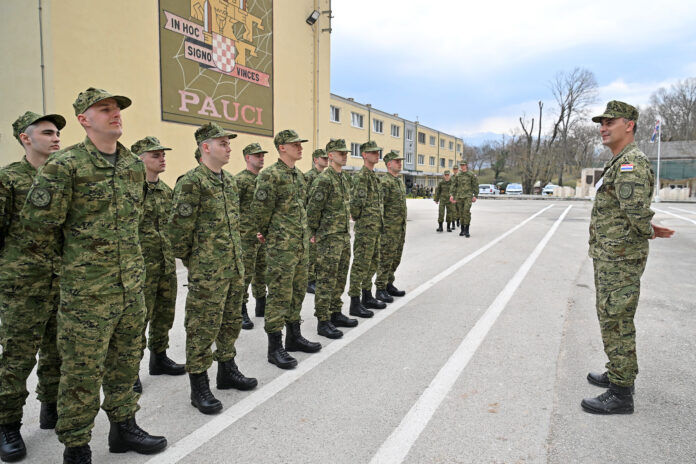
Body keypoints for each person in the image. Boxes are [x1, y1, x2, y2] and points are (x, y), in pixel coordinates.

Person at [19, 88, 167, 463]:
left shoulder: (132, 165)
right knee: (81, 374)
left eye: (117, 108)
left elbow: (135, 223)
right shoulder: (65, 166)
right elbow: (37, 231)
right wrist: (75, 272)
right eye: (104, 109)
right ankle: (76, 446)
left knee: (126, 363)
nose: (115, 113)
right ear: (84, 120)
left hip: (130, 289)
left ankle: (124, 428)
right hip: (86, 294)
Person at [582, 100, 674, 415]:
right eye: (601, 123)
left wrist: (647, 228)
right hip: (611, 255)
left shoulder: (630, 163)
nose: (603, 128)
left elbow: (635, 211)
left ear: (629, 125)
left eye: (610, 122)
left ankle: (621, 393)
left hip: (620, 258)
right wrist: (647, 227)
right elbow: (630, 211)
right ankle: (617, 371)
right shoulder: (620, 161)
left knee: (617, 318)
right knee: (610, 315)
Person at [170, 123, 257, 415]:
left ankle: (227, 370)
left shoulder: (229, 181)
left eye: (229, 143)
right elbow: (178, 233)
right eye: (223, 143)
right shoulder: (192, 182)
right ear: (205, 147)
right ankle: (199, 386)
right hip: (208, 272)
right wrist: (197, 262)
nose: (229, 148)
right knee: (202, 327)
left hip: (233, 267)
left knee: (230, 322)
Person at [0, 111, 65, 462]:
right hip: (22, 284)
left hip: (62, 278)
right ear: (26, 138)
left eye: (57, 133)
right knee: (18, 355)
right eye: (48, 133)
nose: (56, 138)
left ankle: (50, 406)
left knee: (58, 349)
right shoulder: (8, 178)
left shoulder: (63, 176)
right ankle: (7, 424)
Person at [251, 129, 322, 370]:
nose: (300, 148)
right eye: (295, 144)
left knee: (297, 292)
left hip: (300, 246)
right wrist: (270, 235)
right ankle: (275, 347)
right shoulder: (270, 175)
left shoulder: (298, 176)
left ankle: (294, 336)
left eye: (300, 144)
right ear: (282, 147)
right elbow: (260, 211)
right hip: (281, 248)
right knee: (279, 295)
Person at [130, 137, 185, 387]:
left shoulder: (165, 191)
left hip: (165, 265)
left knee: (164, 315)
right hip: (140, 269)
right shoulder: (131, 191)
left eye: (163, 155)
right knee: (137, 320)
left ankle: (159, 358)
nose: (162, 159)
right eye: (155, 155)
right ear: (139, 160)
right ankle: (130, 371)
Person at [307, 139, 361, 339]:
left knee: (340, 278)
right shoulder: (324, 179)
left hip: (343, 236)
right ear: (330, 155)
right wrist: (313, 233)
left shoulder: (344, 178)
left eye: (346, 153)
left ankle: (335, 312)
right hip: (328, 238)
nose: (345, 156)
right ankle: (323, 321)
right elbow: (313, 210)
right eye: (341, 153)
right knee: (326, 280)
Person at [348, 140, 386, 312]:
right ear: (364, 155)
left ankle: (367, 295)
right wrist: (360, 218)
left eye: (378, 152)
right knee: (360, 265)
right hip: (365, 229)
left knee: (372, 263)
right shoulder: (361, 177)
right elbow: (356, 204)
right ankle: (355, 302)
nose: (377, 154)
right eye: (373, 152)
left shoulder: (374, 177)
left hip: (375, 228)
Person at [236, 143, 269, 329]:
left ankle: (261, 305)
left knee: (262, 273)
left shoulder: (264, 179)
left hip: (262, 236)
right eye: (257, 155)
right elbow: (233, 209)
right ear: (247, 158)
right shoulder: (240, 180)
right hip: (246, 237)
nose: (261, 158)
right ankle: (240, 310)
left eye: (262, 155)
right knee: (245, 275)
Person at [374, 151, 407, 303]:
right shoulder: (385, 182)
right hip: (388, 229)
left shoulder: (398, 181)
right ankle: (380, 288)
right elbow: (380, 207)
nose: (400, 163)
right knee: (385, 259)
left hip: (399, 228)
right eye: (396, 161)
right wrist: (382, 228)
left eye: (400, 161)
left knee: (395, 258)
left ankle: (389, 283)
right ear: (389, 164)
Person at [304, 149, 329, 294]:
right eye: (323, 158)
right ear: (315, 160)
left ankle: (317, 277)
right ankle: (310, 280)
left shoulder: (326, 176)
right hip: (311, 219)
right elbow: (305, 199)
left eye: (327, 158)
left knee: (321, 252)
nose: (326, 160)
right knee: (312, 252)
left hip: (323, 220)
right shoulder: (309, 176)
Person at [450, 160, 478, 237]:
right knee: (461, 213)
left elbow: (475, 185)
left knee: (466, 211)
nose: (462, 166)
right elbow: (454, 185)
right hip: (459, 196)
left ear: (466, 165)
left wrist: (475, 195)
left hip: (468, 196)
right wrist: (452, 195)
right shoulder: (458, 175)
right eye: (461, 165)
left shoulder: (471, 174)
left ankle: (467, 229)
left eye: (463, 165)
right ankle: (462, 229)